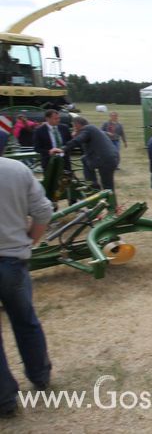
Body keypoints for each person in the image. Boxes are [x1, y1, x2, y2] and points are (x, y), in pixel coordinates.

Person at [0, 156, 53, 417]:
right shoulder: (16, 169)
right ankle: (40, 375)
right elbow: (43, 211)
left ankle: (4, 400)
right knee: (25, 320)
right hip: (12, 260)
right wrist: (30, 240)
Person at [51, 116, 119, 192]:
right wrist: (76, 135)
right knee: (84, 159)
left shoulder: (87, 129)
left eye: (74, 126)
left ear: (77, 125)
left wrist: (62, 149)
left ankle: (94, 187)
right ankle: (93, 184)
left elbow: (78, 140)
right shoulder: (92, 129)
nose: (74, 128)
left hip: (105, 159)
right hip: (111, 157)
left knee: (107, 187)